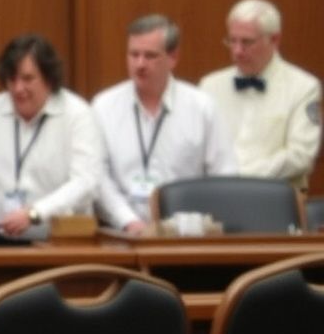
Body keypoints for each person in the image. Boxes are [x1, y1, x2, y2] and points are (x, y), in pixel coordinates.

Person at [0, 34, 102, 245]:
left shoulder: (77, 114)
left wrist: (35, 213)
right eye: (12, 79)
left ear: (49, 79)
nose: (18, 88)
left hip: (58, 242)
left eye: (28, 79)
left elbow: (86, 182)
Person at [93, 15, 236, 234]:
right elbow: (98, 176)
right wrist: (129, 222)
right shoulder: (103, 107)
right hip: (121, 234)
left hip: (186, 236)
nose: (140, 64)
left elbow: (224, 174)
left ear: (173, 57)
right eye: (134, 54)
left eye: (150, 56)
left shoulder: (202, 108)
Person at [199, 0, 322, 190]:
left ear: (274, 40)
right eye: (232, 41)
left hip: (274, 196)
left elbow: (301, 155)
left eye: (247, 42)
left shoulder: (304, 87)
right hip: (216, 193)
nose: (237, 51)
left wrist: (241, 177)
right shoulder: (210, 86)